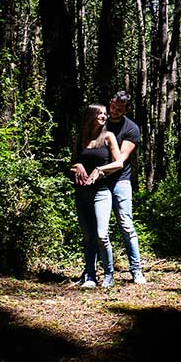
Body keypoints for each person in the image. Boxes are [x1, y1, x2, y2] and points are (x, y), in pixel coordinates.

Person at [69, 103, 123, 289]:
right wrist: (78, 166)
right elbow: (70, 164)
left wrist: (100, 169)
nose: (104, 116)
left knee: (101, 234)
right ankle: (90, 275)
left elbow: (119, 163)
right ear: (90, 115)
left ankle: (109, 275)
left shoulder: (108, 137)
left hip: (101, 192)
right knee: (88, 236)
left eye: (105, 114)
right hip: (81, 193)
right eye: (100, 113)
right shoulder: (81, 138)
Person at [104, 90, 147, 284]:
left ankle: (136, 270)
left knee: (126, 224)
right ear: (110, 102)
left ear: (126, 109)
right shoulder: (100, 120)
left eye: (119, 109)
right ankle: (99, 272)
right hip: (99, 182)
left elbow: (121, 159)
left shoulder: (131, 128)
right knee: (99, 230)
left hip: (121, 180)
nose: (114, 111)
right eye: (113, 106)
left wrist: (100, 170)